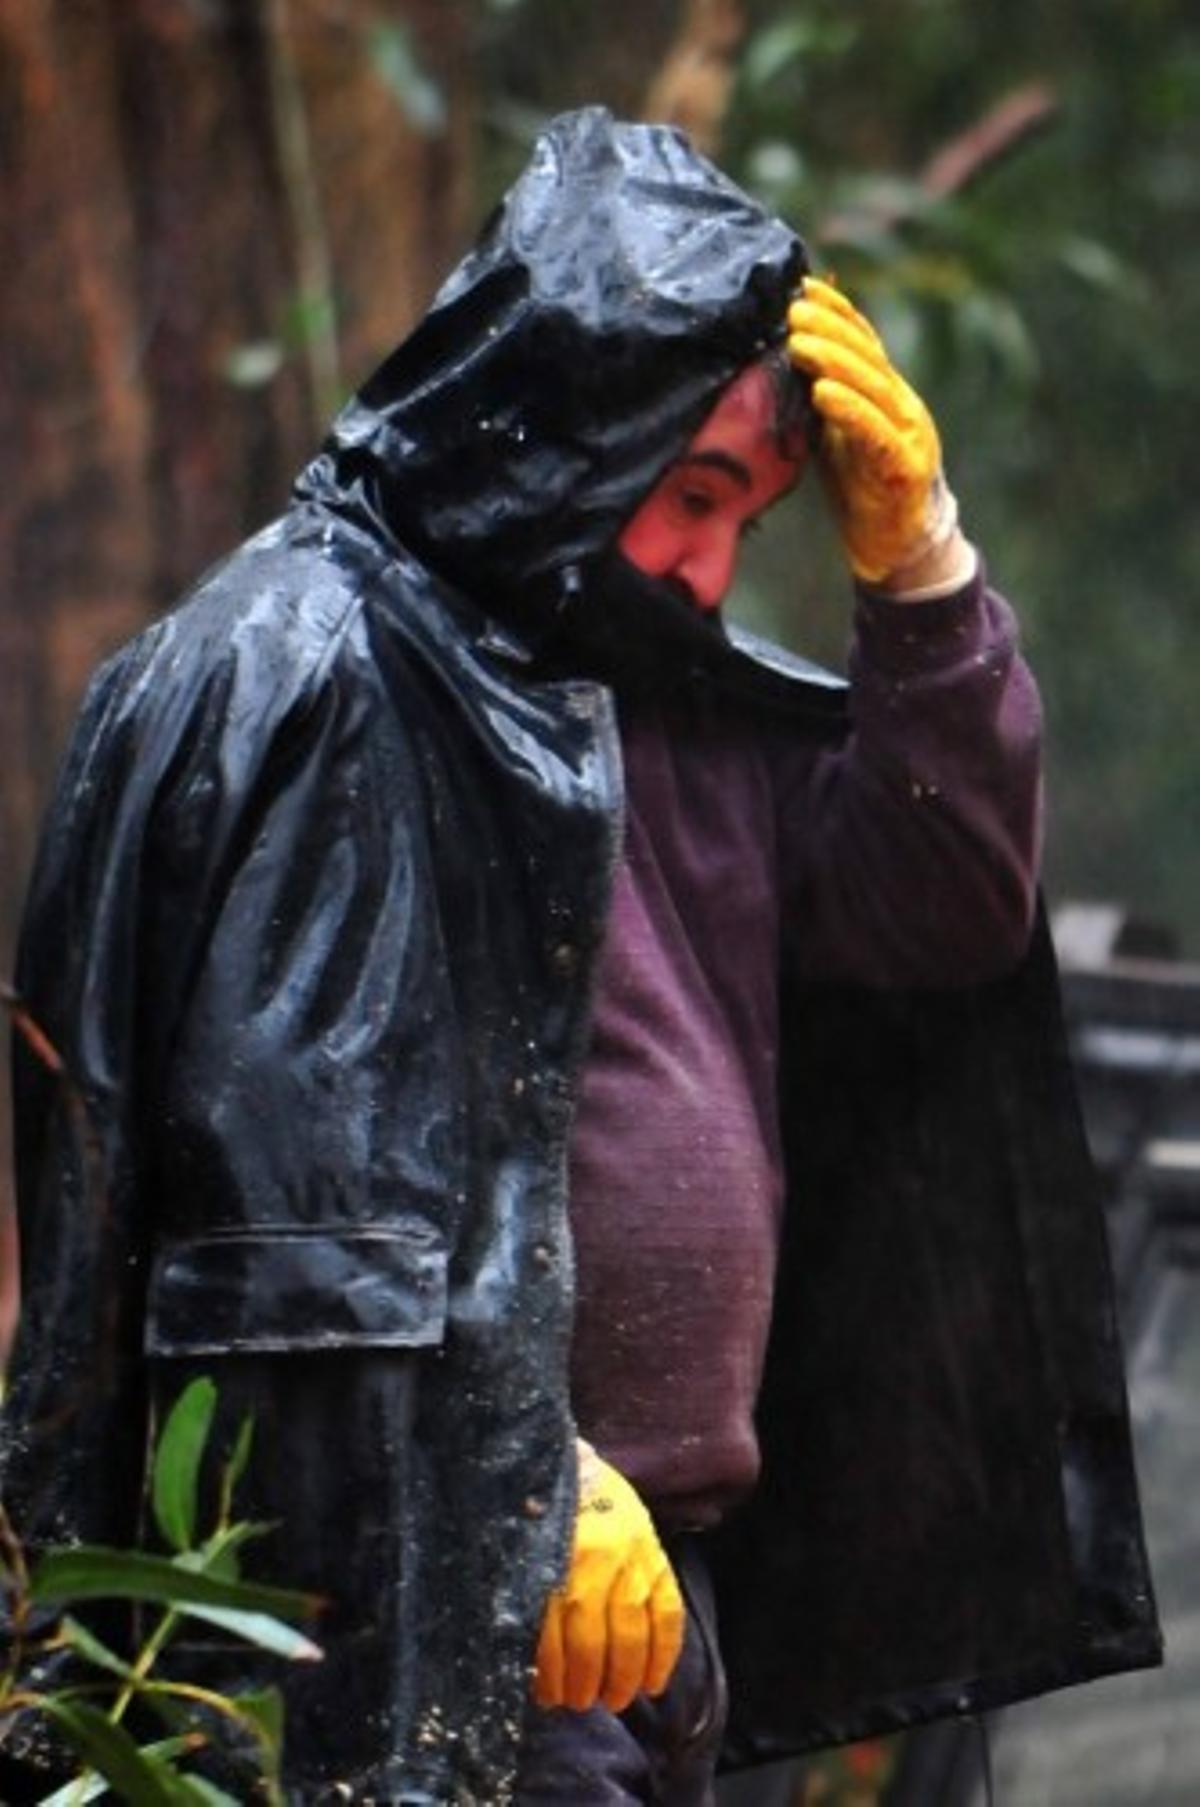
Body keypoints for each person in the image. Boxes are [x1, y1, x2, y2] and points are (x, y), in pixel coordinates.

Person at [0, 109, 1158, 1804]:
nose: (703, 571)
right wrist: (517, 1490)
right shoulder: (317, 672)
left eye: (742, 524)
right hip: (404, 1624)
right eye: (688, 497)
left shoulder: (668, 710)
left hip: (659, 1605)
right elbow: (281, 1230)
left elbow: (947, 908)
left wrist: (921, 576)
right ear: (559, 432)